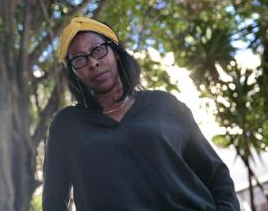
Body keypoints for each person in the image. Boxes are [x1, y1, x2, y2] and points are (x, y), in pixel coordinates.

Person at [42, 17, 240, 211]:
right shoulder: (66, 126)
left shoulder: (165, 105)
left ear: (116, 53)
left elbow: (216, 175)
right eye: (79, 59)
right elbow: (53, 202)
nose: (92, 62)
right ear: (73, 73)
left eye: (98, 50)